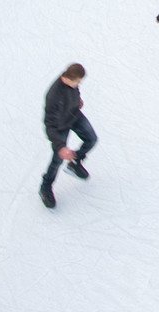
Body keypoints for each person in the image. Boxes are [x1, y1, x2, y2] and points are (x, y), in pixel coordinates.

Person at [39, 63, 97, 209]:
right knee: (57, 159)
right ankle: (45, 188)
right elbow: (49, 125)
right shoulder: (53, 95)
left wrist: (77, 102)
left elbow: (74, 93)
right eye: (77, 82)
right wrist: (61, 146)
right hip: (59, 127)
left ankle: (74, 163)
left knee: (91, 139)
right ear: (69, 79)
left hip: (74, 115)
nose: (79, 84)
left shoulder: (72, 83)